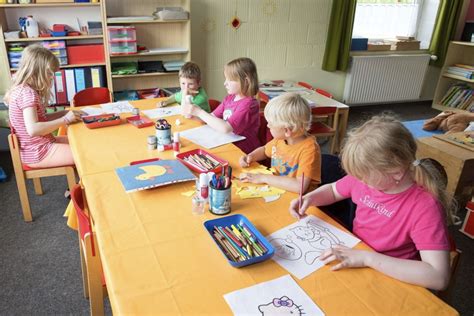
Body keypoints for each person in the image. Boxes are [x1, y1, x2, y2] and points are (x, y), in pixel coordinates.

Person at [289, 115, 453, 291]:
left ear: (396, 172)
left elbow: (438, 276)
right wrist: (310, 198)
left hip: (390, 275)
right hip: (356, 253)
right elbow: (334, 190)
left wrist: (368, 259)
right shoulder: (366, 178)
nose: (359, 181)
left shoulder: (424, 207)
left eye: (364, 177)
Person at [6, 45, 83, 168]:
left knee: (82, 143)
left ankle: (78, 185)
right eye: (49, 73)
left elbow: (41, 119)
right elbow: (34, 129)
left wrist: (63, 113)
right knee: (85, 154)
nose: (52, 77)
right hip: (38, 152)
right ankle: (78, 186)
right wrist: (66, 119)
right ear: (36, 71)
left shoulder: (23, 89)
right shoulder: (27, 93)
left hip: (41, 145)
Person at [238, 93, 321, 193]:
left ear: (287, 130)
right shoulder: (280, 140)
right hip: (278, 190)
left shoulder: (309, 149)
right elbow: (265, 151)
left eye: (271, 124)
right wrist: (250, 156)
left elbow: (299, 186)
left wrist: (264, 178)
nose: (268, 126)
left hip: (300, 200)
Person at [182, 57, 260, 154]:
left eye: (230, 80)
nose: (225, 83)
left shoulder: (249, 105)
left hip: (243, 152)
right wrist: (194, 115)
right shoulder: (230, 98)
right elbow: (211, 118)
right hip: (227, 143)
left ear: (246, 81)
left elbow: (226, 128)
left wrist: (199, 112)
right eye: (225, 79)